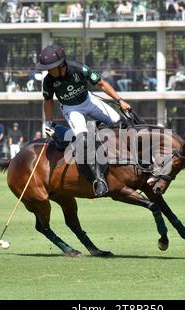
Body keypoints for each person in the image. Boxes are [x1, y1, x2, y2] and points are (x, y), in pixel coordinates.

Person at [36, 44, 131, 197]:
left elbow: (101, 83)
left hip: (89, 101)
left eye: (52, 68)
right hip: (71, 109)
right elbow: (48, 101)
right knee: (84, 140)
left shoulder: (79, 68)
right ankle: (98, 180)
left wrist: (120, 101)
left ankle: (142, 162)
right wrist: (48, 123)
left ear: (61, 65)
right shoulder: (48, 81)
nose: (49, 71)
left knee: (121, 123)